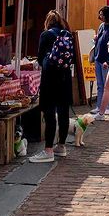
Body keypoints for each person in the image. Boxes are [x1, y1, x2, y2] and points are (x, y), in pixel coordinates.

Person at [29, 10, 74, 162]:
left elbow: (40, 58)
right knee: (63, 112)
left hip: (50, 78)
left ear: (47, 22)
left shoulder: (46, 35)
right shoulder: (66, 34)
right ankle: (61, 146)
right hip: (65, 77)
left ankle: (48, 150)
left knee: (49, 112)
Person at [92, 6, 109, 115]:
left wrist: (108, 60)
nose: (99, 17)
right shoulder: (101, 26)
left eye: (101, 14)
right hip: (98, 58)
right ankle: (99, 106)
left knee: (108, 85)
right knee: (100, 84)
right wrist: (96, 38)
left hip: (106, 60)